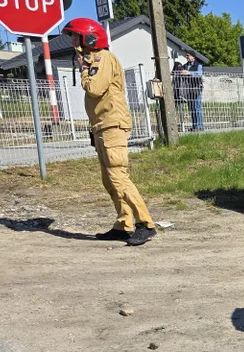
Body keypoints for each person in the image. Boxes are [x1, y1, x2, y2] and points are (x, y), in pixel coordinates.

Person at [61, 17, 156, 246]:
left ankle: (146, 224)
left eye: (76, 36)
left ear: (89, 38)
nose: (73, 41)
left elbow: (94, 88)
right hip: (101, 126)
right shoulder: (93, 60)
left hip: (112, 124)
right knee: (109, 180)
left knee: (118, 175)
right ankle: (124, 224)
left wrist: (84, 70)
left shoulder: (103, 58)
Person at [184, 51, 204, 131]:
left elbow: (199, 74)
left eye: (188, 55)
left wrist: (189, 73)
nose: (186, 57)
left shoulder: (198, 65)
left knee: (197, 107)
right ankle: (194, 126)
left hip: (196, 88)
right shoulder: (185, 65)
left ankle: (200, 126)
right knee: (192, 108)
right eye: (186, 55)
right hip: (188, 89)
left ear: (193, 57)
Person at [172, 61, 189, 128]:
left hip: (180, 95)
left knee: (180, 110)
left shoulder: (181, 75)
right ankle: (175, 124)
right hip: (176, 94)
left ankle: (182, 124)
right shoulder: (174, 75)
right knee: (174, 110)